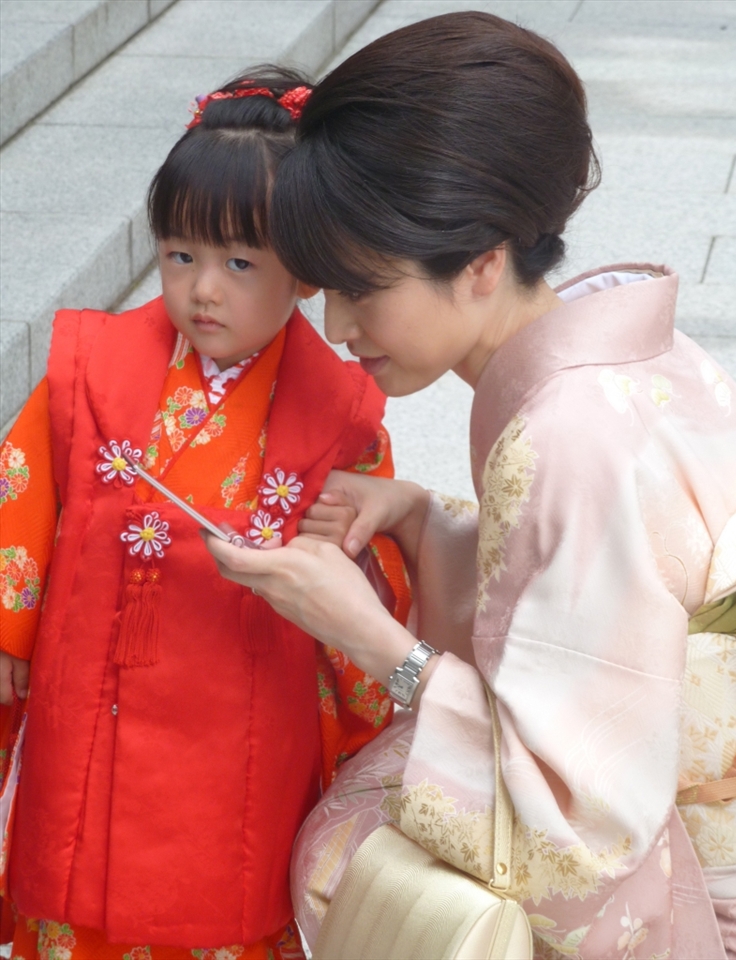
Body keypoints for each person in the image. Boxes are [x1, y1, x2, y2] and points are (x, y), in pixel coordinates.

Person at [203, 13, 736, 960]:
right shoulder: (627, 350)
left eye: (362, 288)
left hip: (689, 857)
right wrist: (417, 516)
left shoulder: (567, 436)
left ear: (484, 261)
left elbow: (576, 827)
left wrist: (373, 641)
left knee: (356, 850)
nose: (335, 325)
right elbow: (575, 606)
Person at [0, 66, 411, 960]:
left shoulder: (336, 410)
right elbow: (22, 492)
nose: (203, 291)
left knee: (223, 894)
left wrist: (353, 566)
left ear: (305, 271)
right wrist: (10, 632)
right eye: (180, 254)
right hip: (90, 688)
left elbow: (366, 562)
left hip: (241, 708)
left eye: (239, 263)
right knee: (76, 879)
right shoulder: (89, 366)